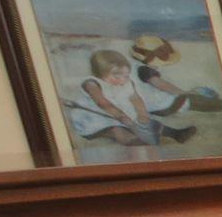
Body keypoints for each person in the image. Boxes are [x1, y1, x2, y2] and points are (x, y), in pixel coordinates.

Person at [62, 48, 197, 153]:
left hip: (122, 113)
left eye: (126, 75)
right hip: (95, 117)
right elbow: (102, 103)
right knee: (117, 131)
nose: (122, 80)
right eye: (117, 75)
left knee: (149, 123)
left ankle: (176, 134)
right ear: (99, 73)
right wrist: (120, 116)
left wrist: (142, 113)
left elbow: (135, 98)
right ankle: (137, 144)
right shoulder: (92, 84)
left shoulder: (127, 82)